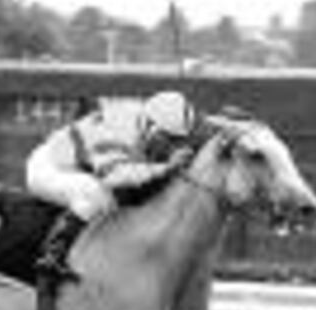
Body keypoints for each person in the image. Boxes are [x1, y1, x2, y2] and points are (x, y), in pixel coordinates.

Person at [26, 90, 200, 285]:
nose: (170, 148)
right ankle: (52, 256)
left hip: (76, 167)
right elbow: (115, 177)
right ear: (151, 126)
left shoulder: (144, 121)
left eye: (176, 142)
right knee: (97, 194)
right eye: (168, 140)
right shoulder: (118, 130)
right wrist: (164, 168)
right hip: (49, 168)